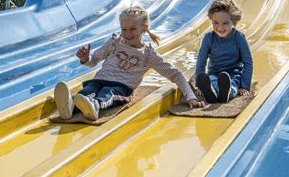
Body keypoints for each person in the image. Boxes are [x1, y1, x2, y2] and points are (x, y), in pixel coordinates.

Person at [54, 6, 205, 120]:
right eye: (124, 29)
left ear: (144, 28)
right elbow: (94, 61)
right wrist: (85, 58)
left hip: (122, 87)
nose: (127, 34)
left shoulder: (148, 54)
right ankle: (71, 106)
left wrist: (190, 96)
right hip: (100, 79)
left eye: (132, 29)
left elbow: (175, 74)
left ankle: (95, 106)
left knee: (109, 93)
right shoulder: (114, 42)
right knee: (88, 90)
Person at [195, 0, 253, 103]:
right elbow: (201, 61)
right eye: (215, 23)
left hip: (233, 73)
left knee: (233, 82)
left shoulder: (239, 38)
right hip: (214, 73)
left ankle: (227, 92)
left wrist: (244, 86)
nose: (220, 28)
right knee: (211, 80)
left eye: (225, 23)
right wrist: (199, 85)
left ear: (233, 22)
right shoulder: (209, 38)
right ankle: (212, 92)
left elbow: (248, 62)